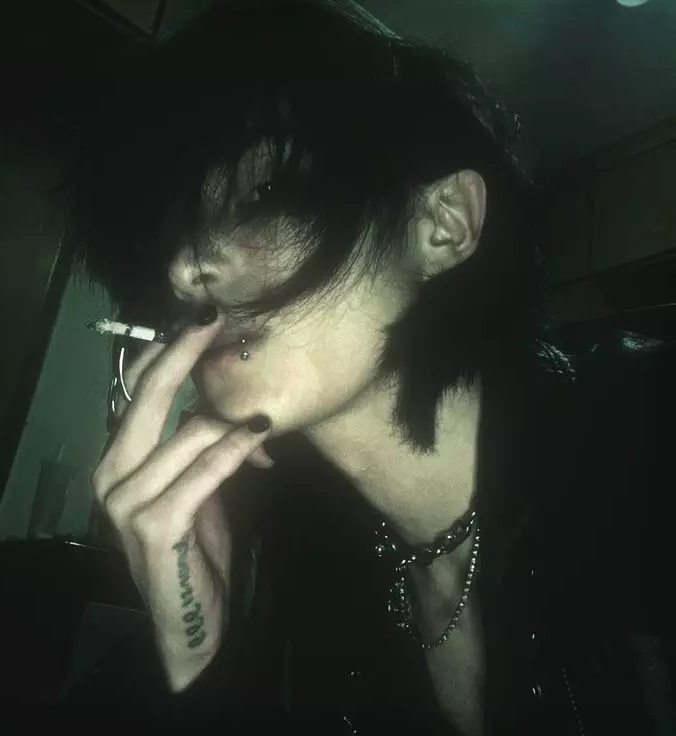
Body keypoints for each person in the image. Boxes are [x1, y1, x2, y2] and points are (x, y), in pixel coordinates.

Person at [62, 1, 676, 734]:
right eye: (177, 235)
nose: (184, 268)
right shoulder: (304, 565)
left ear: (443, 224)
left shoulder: (646, 434)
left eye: (263, 192)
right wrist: (199, 657)